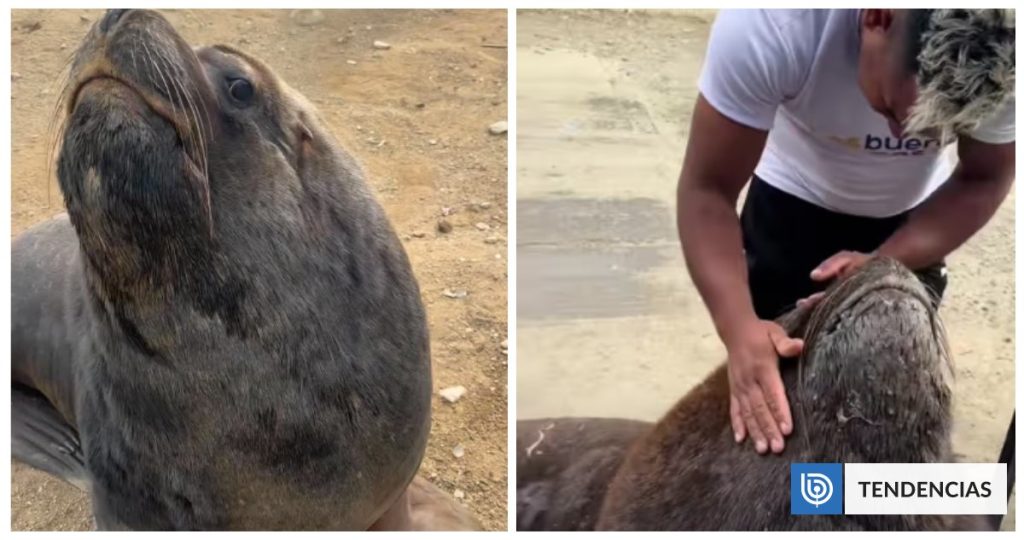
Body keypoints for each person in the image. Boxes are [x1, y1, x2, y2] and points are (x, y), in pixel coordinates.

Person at [676, 9, 1015, 456]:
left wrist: (887, 261)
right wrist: (738, 329)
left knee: (884, 402)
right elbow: (707, 190)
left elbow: (983, 178)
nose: (898, 135)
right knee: (778, 405)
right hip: (792, 201)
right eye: (898, 110)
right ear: (877, 17)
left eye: (938, 133)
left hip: (912, 218)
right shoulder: (775, 24)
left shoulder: (1008, 53)